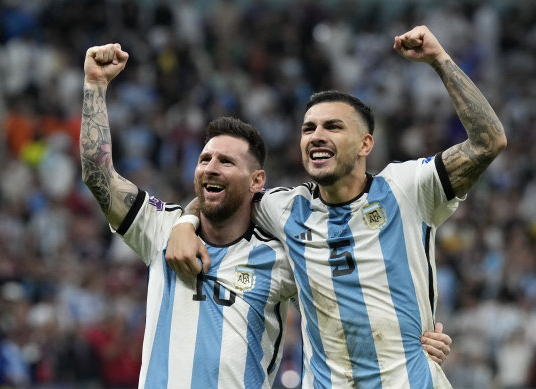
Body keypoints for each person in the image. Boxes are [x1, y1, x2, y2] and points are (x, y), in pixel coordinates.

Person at [79, 43, 453, 388]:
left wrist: (417, 338)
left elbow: (351, 297)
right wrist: (95, 85)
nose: (210, 168)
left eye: (226, 161)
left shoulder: (281, 257)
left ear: (257, 180)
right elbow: (99, 177)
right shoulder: (160, 228)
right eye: (204, 159)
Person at [166, 25, 505, 388]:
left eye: (332, 127)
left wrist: (439, 60)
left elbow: (488, 142)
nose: (316, 136)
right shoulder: (285, 208)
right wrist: (184, 222)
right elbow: (223, 189)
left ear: (365, 144)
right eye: (308, 128)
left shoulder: (407, 189)